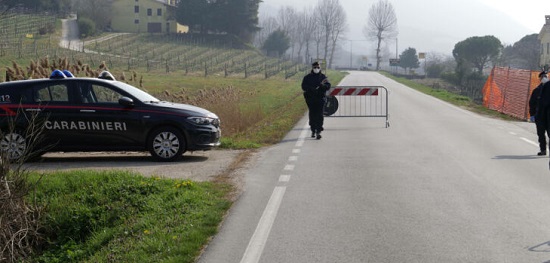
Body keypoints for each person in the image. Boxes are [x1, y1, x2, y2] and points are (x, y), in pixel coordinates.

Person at [301, 61, 331, 139]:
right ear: (312, 68)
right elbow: (303, 86)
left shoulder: (323, 77)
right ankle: (313, 129)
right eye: (315, 67)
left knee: (320, 115)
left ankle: (319, 130)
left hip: (320, 98)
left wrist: (322, 86)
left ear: (320, 67)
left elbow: (328, 86)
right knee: (312, 114)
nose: (316, 69)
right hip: (311, 99)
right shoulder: (307, 77)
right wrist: (310, 89)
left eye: (318, 67)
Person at [529, 71, 549, 155]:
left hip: (548, 116)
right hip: (540, 116)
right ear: (540, 79)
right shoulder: (537, 91)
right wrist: (532, 115)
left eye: (545, 76)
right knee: (541, 134)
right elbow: (532, 103)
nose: (544, 78)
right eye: (543, 77)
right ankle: (543, 150)